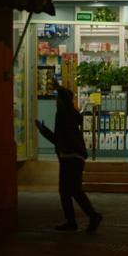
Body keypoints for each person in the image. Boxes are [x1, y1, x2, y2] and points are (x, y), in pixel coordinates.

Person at [35, 86, 102, 232]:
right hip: (74, 156)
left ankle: (88, 217)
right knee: (69, 191)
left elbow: (58, 139)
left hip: (69, 157)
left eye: (57, 98)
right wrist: (43, 130)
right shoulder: (71, 114)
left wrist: (44, 131)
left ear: (62, 100)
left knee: (70, 191)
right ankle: (77, 220)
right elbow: (59, 139)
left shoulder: (63, 114)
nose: (55, 101)